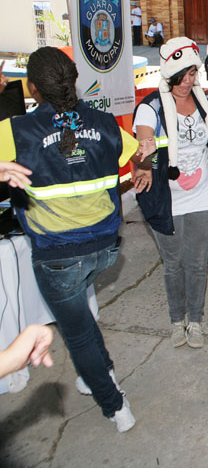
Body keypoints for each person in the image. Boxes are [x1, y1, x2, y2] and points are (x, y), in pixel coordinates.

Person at [0, 47, 139, 431]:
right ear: (73, 82)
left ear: (32, 89)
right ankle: (99, 373)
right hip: (106, 250)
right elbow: (136, 151)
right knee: (79, 313)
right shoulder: (106, 122)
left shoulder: (14, 131)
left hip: (58, 256)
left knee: (76, 332)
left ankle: (115, 407)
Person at [133, 37, 208, 348]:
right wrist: (142, 156)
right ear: (169, 73)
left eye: (192, 74)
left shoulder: (204, 102)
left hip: (201, 194)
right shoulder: (151, 106)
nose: (187, 81)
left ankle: (195, 321)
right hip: (167, 200)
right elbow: (144, 139)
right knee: (174, 264)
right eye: (181, 75)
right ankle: (177, 321)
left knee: (198, 262)